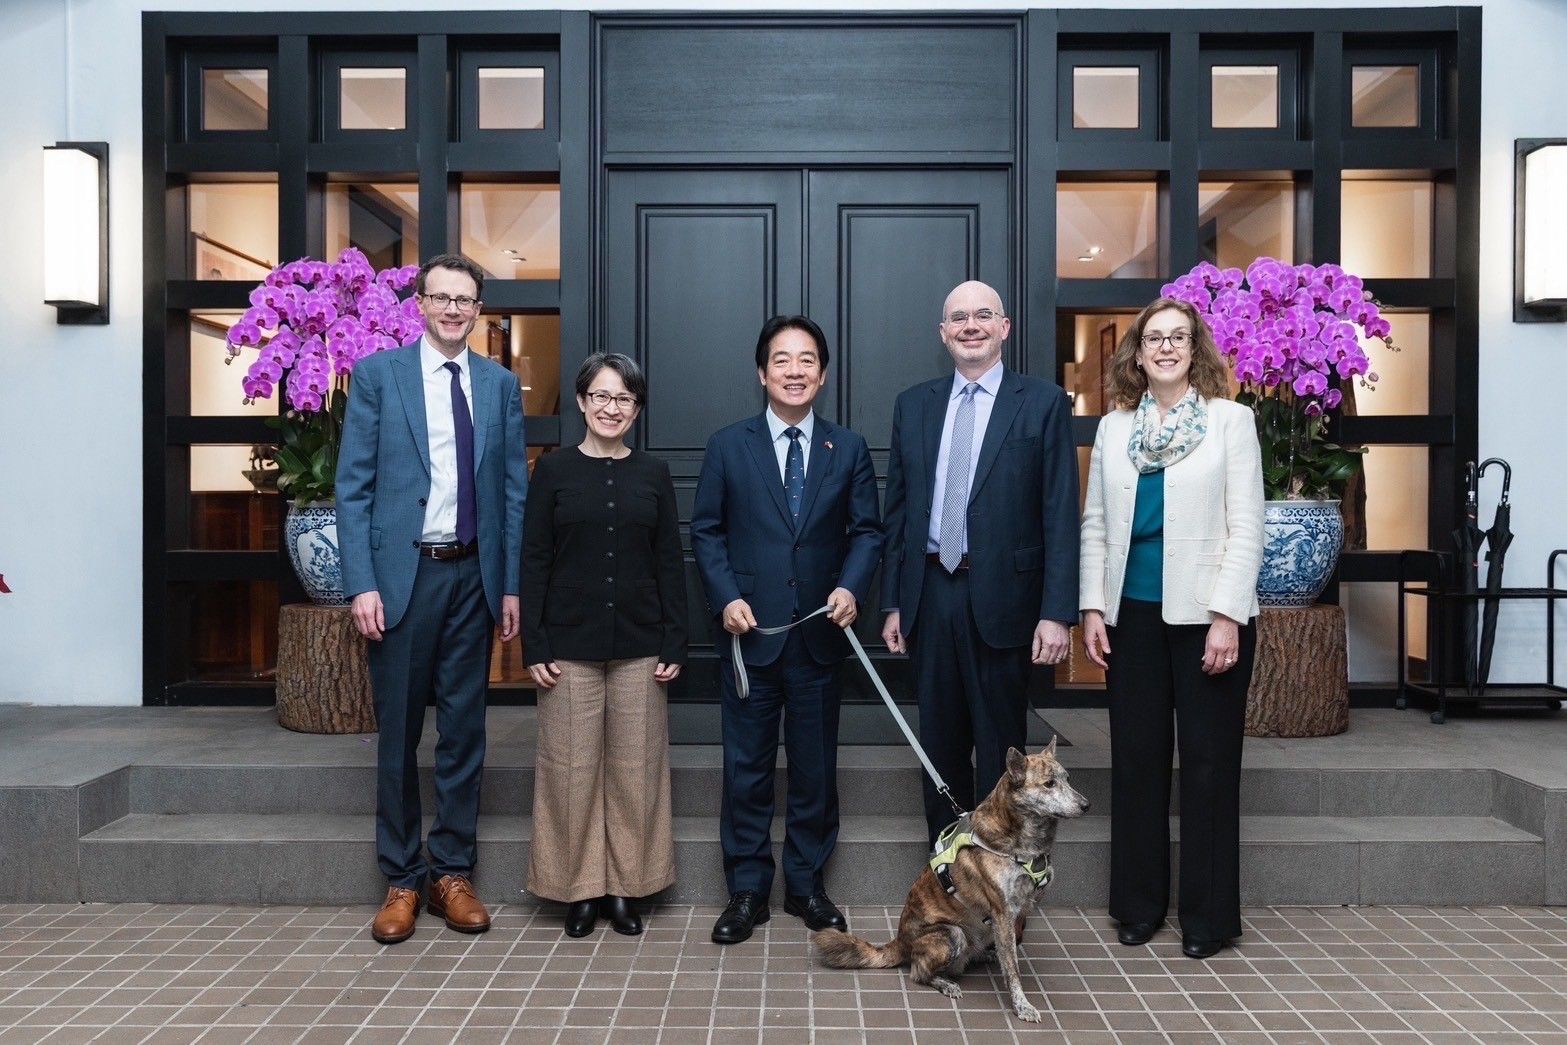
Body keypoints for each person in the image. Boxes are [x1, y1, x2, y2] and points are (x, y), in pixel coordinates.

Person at [336, 253, 527, 944]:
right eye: (441, 297)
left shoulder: (498, 385)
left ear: (478, 309)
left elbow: (512, 492)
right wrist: (361, 581)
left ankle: (451, 872)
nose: (453, 309)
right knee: (398, 733)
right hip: (402, 578)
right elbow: (352, 487)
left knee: (464, 730)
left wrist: (509, 584)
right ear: (419, 303)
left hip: (472, 577)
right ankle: (401, 878)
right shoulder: (379, 375)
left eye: (464, 299)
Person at [1078, 296, 1263, 960]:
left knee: (1209, 768)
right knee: (1136, 763)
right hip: (1130, 615)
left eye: (1177, 337)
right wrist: (1092, 606)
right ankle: (1138, 906)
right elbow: (1096, 522)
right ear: (1136, 352)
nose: (1164, 347)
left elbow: (1247, 525)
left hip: (1207, 618)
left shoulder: (1230, 421)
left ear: (1194, 348)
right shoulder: (1113, 428)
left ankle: (1207, 919)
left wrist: (1226, 616)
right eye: (1153, 337)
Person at [690, 315, 882, 945]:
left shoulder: (847, 448)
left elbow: (867, 532)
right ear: (762, 372)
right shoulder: (728, 445)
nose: (794, 371)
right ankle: (747, 889)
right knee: (745, 770)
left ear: (822, 375)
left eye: (807, 360)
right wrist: (726, 597)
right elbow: (707, 532)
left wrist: (851, 587)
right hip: (750, 637)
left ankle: (805, 885)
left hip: (819, 638)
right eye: (782, 359)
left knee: (814, 770)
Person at [881, 281, 1079, 847]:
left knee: (1000, 750)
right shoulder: (914, 405)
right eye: (959, 317)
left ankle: (1001, 872)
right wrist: (893, 601)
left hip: (1007, 601)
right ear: (943, 333)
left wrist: (1056, 612)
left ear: (1004, 327)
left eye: (984, 315)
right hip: (930, 593)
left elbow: (1060, 511)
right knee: (938, 746)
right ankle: (948, 871)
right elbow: (898, 512)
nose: (971, 325)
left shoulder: (1041, 402)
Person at [521, 353, 687, 938]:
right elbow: (534, 558)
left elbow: (669, 560)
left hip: (641, 645)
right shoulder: (553, 471)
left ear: (636, 409)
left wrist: (675, 639)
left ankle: (625, 888)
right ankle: (579, 890)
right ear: (582, 401)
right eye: (601, 396)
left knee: (636, 771)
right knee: (569, 771)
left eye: (624, 399)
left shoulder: (654, 474)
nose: (612, 408)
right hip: (567, 646)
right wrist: (534, 643)